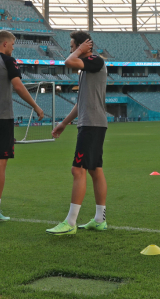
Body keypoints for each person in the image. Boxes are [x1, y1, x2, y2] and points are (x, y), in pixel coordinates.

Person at [0, 30, 43, 223]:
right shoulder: (8, 61)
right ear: (5, 43)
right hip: (2, 118)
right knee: (0, 165)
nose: (13, 48)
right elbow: (18, 86)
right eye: (12, 44)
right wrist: (36, 106)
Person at [47, 32, 109, 235]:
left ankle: (70, 222)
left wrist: (81, 50)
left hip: (92, 123)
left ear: (84, 46)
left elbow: (68, 62)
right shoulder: (85, 69)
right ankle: (99, 220)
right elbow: (80, 102)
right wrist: (64, 123)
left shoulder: (95, 61)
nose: (71, 50)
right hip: (90, 122)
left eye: (73, 46)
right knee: (94, 170)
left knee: (78, 170)